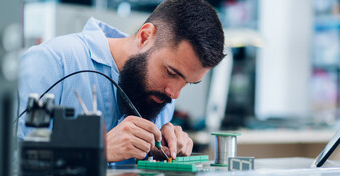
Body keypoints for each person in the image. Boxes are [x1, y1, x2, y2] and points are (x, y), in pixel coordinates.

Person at [18, 0, 225, 164]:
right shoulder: (51, 62)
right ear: (145, 37)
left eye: (188, 82)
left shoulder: (160, 96)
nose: (174, 94)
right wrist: (96, 149)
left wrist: (158, 155)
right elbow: (6, 161)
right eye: (171, 72)